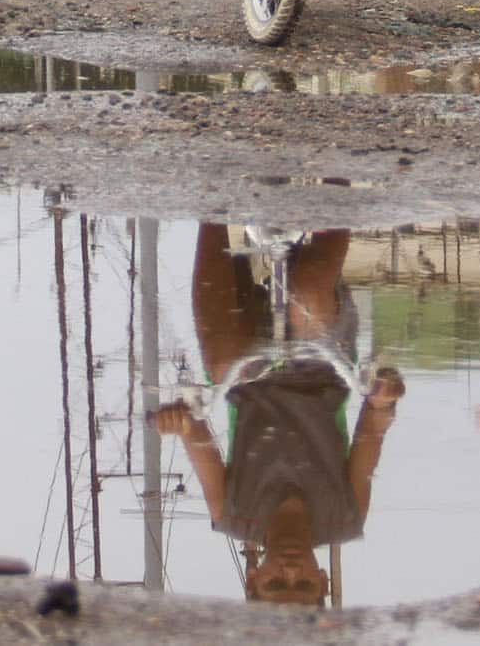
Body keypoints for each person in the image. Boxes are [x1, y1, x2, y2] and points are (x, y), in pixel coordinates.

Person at [149, 225, 403, 608]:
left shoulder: (231, 514)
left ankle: (212, 211)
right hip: (323, 366)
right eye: (303, 584)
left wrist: (178, 423)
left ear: (254, 579)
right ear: (323, 580)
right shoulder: (346, 517)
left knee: (221, 368)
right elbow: (372, 433)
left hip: (248, 374)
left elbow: (196, 434)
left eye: (276, 585)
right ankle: (339, 194)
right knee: (309, 298)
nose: (290, 571)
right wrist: (384, 399)